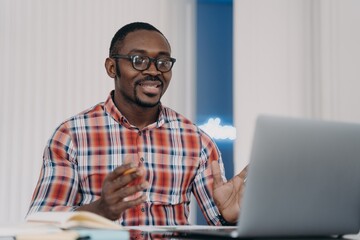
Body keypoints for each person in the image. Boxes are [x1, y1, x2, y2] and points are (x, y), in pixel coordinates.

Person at [27, 22, 247, 226]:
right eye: (138, 61)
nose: (153, 71)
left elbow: (221, 227)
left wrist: (231, 219)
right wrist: (100, 209)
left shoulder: (197, 141)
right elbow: (41, 224)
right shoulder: (72, 135)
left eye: (163, 62)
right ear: (112, 68)